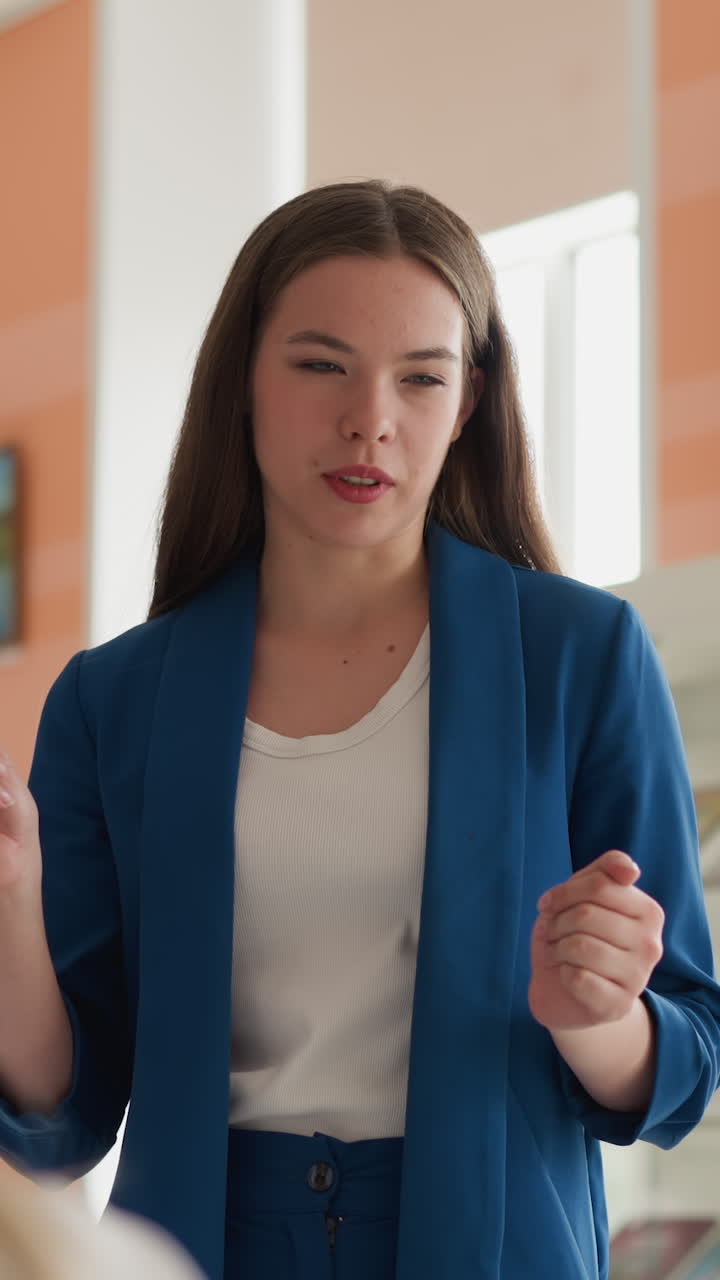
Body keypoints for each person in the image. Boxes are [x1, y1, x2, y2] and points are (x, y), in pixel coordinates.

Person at [0, 179, 718, 1280]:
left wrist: (600, 1012)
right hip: (201, 1246)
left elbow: (687, 1059)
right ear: (242, 378)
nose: (369, 419)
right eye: (321, 364)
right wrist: (9, 905)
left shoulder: (580, 655)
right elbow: (66, 1112)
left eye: (420, 377)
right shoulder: (114, 700)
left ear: (469, 399)